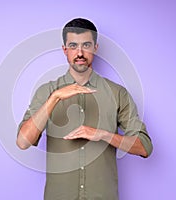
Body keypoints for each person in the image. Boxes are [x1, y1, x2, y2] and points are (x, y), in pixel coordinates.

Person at [16, 18, 153, 200]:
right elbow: (23, 142)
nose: (80, 52)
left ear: (95, 48)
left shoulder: (117, 93)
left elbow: (144, 148)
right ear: (65, 49)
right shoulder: (47, 91)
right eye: (73, 45)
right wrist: (54, 99)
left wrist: (104, 135)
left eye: (86, 45)